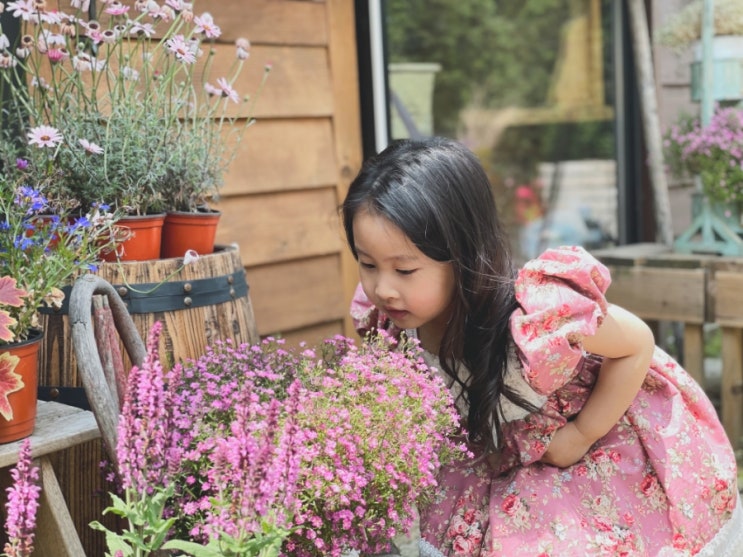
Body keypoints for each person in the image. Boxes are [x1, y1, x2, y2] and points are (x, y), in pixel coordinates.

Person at [341, 137, 743, 556]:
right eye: (367, 264)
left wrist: (581, 434)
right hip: (491, 452)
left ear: (463, 255)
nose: (382, 288)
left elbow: (637, 342)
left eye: (404, 269)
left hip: (583, 443)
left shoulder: (532, 316)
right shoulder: (391, 320)